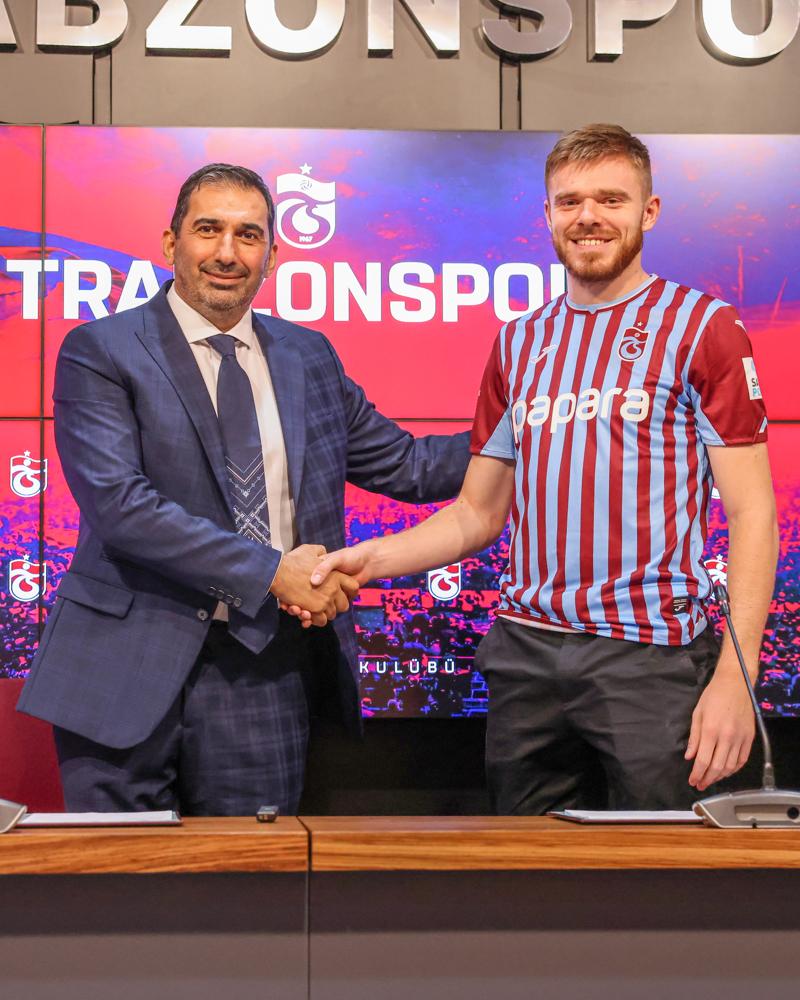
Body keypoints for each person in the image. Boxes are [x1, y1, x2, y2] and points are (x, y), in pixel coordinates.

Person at [305, 125, 779, 813]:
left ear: (649, 211)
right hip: (525, 657)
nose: (589, 216)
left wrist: (738, 676)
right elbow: (477, 513)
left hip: (652, 660)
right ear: (549, 215)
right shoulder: (519, 341)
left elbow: (752, 512)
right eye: (570, 201)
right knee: (528, 871)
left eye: (611, 199)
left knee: (661, 869)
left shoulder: (704, 326)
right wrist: (370, 559)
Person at [18, 163, 469, 815]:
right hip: (121, 668)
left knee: (252, 875)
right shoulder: (101, 349)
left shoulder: (308, 355)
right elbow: (121, 506)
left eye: (248, 235)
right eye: (209, 230)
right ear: (171, 243)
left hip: (263, 668)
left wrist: (529, 425)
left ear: (272, 256)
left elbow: (409, 465)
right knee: (120, 876)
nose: (227, 252)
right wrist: (272, 573)